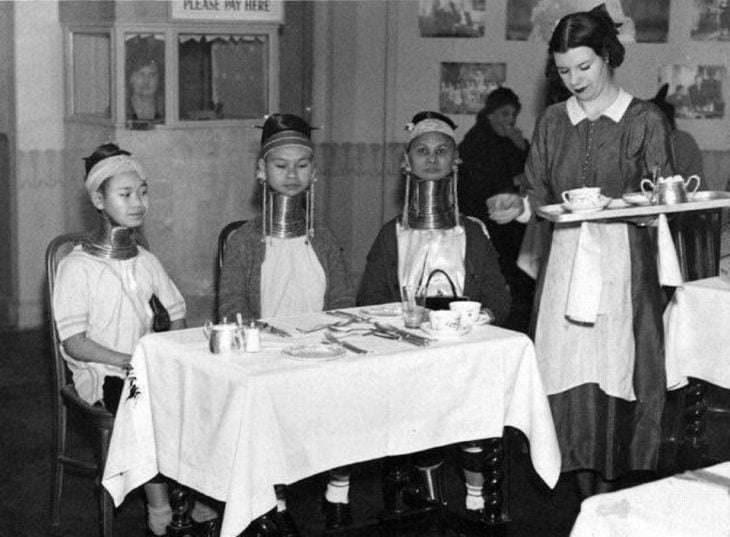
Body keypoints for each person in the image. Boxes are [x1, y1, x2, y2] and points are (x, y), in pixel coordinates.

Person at [487, 4, 675, 497]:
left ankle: (613, 502)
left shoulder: (643, 120)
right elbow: (540, 195)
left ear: (609, 57)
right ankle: (584, 498)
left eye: (584, 67)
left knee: (615, 373)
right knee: (568, 377)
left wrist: (639, 208)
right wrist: (519, 208)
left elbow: (664, 200)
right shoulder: (552, 122)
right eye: (565, 70)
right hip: (566, 266)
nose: (574, 80)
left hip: (623, 270)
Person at [52, 144, 217, 536]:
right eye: (125, 195)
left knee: (203, 393)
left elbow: (177, 311)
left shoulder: (144, 259)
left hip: (147, 366)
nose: (138, 202)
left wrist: (167, 349)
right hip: (102, 372)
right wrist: (131, 359)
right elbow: (75, 342)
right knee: (143, 404)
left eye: (143, 192)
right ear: (98, 199)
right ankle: (160, 511)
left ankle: (199, 490)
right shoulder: (77, 266)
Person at [355, 111, 511, 521]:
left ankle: (477, 500)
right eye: (421, 151)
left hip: (463, 350)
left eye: (442, 151)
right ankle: (428, 496)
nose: (431, 158)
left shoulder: (471, 232)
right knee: (417, 420)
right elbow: (369, 297)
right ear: (407, 163)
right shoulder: (392, 234)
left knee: (472, 418)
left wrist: (480, 317)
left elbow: (499, 294)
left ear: (455, 162)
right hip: (408, 353)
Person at [218, 113, 355, 536]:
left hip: (321, 352)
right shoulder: (244, 242)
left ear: (314, 172)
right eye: (280, 165)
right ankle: (273, 501)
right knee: (269, 419)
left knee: (344, 399)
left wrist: (330, 339)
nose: (291, 174)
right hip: (270, 357)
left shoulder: (325, 239)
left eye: (301, 165)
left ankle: (338, 492)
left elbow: (342, 301)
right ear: (262, 171)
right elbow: (232, 305)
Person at [458, 87, 534, 332]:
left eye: (513, 114)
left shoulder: (507, 138)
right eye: (504, 113)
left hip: (506, 220)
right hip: (482, 219)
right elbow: (480, 184)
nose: (510, 120)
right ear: (490, 114)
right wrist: (514, 181)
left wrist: (521, 147)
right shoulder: (477, 140)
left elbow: (530, 170)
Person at [126, 54, 164, 123]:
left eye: (152, 75)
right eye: (141, 75)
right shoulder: (120, 110)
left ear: (158, 80)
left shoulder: (168, 110)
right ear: (131, 79)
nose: (146, 81)